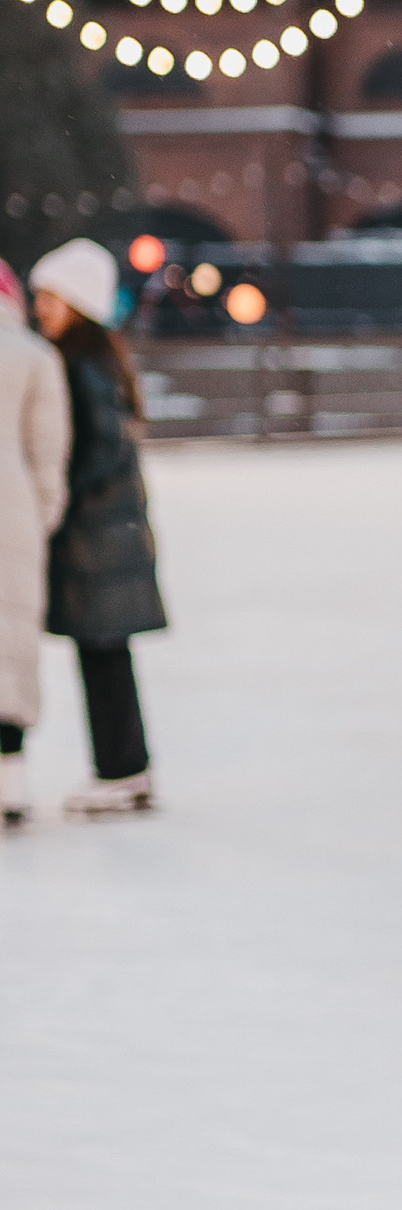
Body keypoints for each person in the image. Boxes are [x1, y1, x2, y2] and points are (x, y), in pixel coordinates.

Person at [29, 237, 166, 815]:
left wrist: (57, 497)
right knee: (107, 654)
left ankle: (120, 770)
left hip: (95, 536)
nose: (41, 310)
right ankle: (125, 768)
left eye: (50, 300)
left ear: (77, 304)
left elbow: (99, 447)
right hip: (109, 534)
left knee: (103, 653)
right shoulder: (97, 356)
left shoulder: (80, 363)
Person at [0, 261, 71, 832]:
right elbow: (48, 449)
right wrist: (42, 514)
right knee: (12, 643)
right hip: (12, 513)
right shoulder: (33, 355)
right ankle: (12, 779)